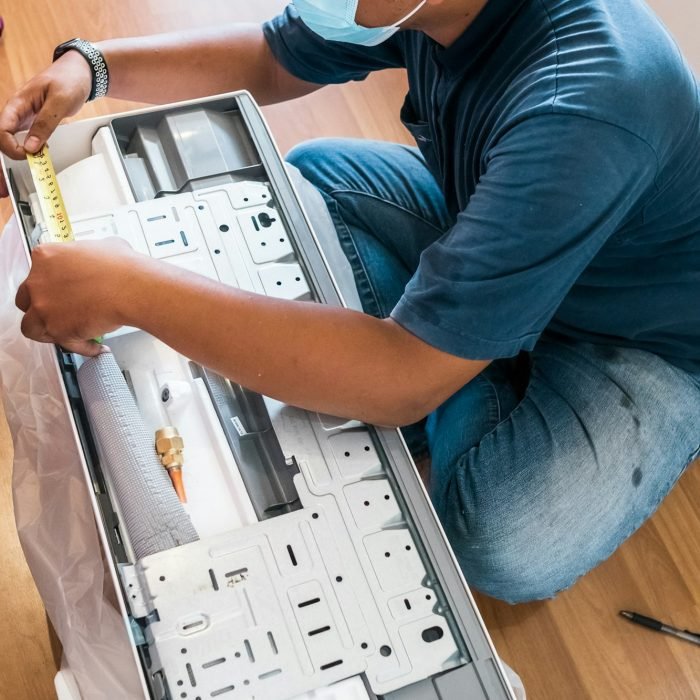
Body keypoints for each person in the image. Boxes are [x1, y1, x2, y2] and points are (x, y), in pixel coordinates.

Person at [1, 0, 699, 604]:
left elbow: (396, 385)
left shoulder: (582, 107)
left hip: (633, 340)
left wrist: (133, 289)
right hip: (512, 227)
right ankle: (470, 332)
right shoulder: (445, 9)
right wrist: (93, 67)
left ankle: (470, 352)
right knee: (316, 178)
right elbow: (277, 58)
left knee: (505, 536)